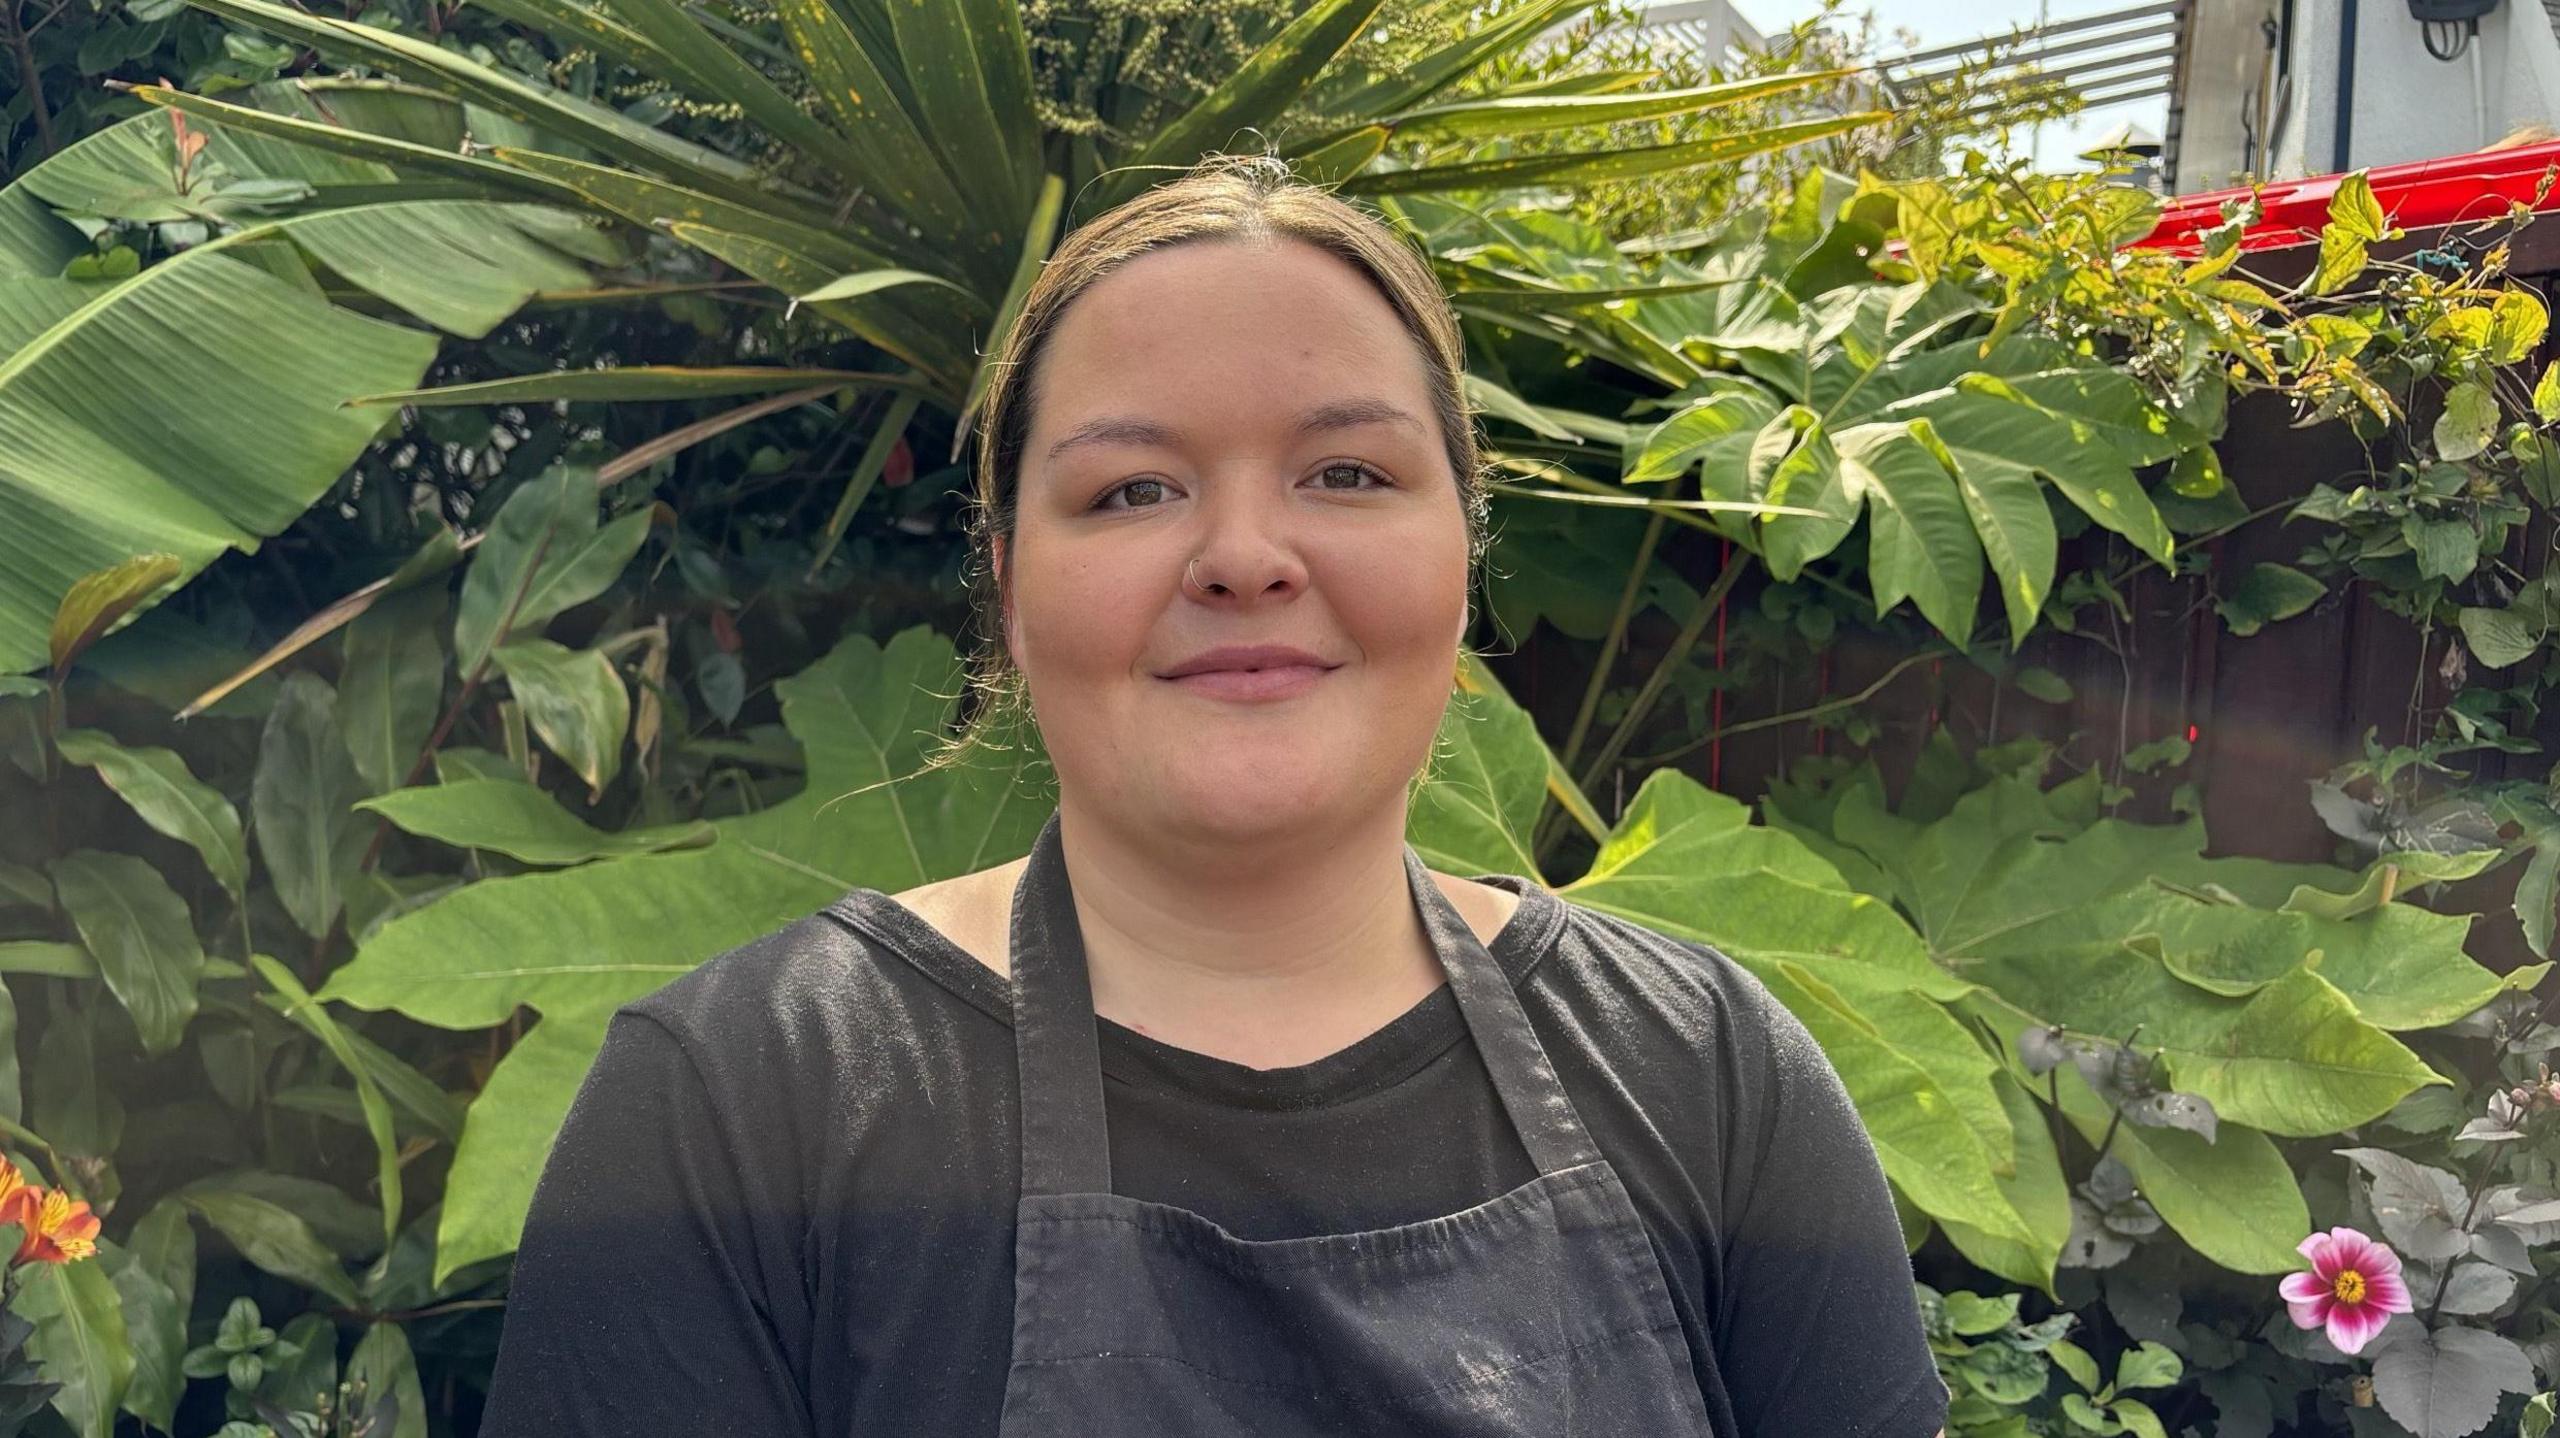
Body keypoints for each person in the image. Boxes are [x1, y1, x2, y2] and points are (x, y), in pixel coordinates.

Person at [479, 154, 1949, 1437]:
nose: (1245, 555)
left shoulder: (1711, 1077)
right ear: (1005, 579)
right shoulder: (744, 1105)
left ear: (1466, 550)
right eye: (1131, 490)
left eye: (1350, 473)